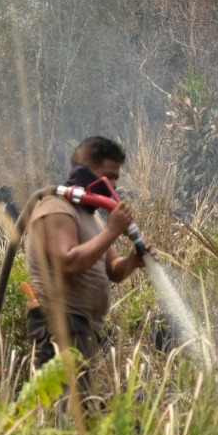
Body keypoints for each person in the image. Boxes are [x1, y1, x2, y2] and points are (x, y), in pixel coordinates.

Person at [24, 136, 147, 398]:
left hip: (84, 328)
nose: (113, 185)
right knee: (66, 411)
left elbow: (112, 269)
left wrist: (133, 262)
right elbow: (68, 263)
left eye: (116, 179)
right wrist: (114, 229)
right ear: (87, 171)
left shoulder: (93, 219)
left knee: (81, 409)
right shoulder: (55, 208)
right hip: (60, 322)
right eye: (109, 177)